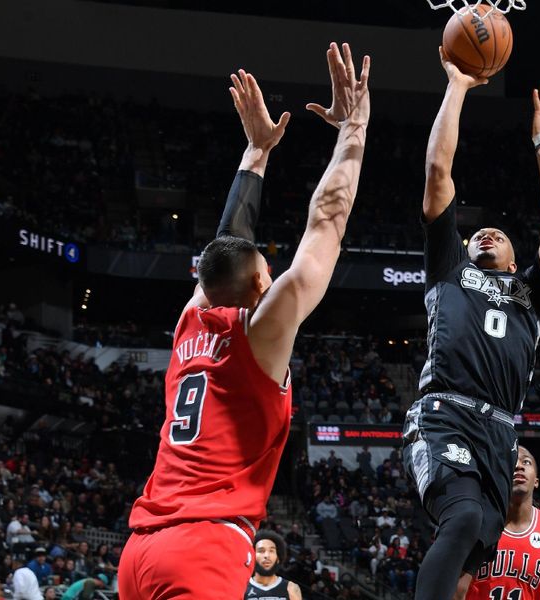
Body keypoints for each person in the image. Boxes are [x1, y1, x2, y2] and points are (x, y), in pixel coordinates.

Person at [119, 41, 371, 599]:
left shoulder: (192, 321)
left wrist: (255, 153)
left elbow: (226, 247)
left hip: (138, 551)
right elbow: (327, 221)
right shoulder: (262, 334)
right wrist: (353, 128)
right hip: (201, 548)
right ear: (261, 284)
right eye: (266, 264)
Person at [402, 46, 540, 600]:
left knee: (479, 532)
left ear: (516, 253)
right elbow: (437, 172)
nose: (486, 234)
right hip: (446, 412)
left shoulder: (531, 293)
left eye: (498, 233)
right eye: (479, 232)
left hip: (499, 430)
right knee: (461, 518)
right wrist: (457, 85)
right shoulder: (449, 269)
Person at [462, 447, 540, 600]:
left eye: (526, 462)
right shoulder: (475, 524)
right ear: (499, 476)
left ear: (536, 481)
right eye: (512, 462)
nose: (519, 466)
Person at [244, 531, 302, 600]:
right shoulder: (241, 588)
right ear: (252, 556)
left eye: (271, 551)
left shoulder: (291, 588)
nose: (267, 556)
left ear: (278, 558)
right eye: (261, 551)